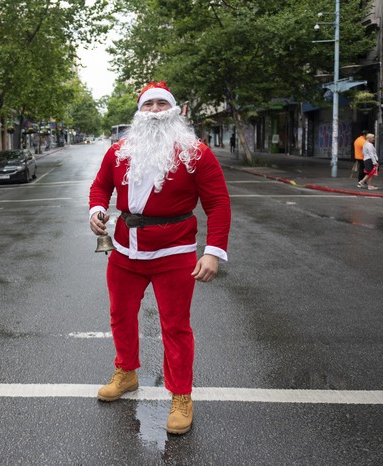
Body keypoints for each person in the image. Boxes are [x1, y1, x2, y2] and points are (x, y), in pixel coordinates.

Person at [88, 82, 231, 435]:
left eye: (160, 104)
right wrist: (96, 209)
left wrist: (212, 251)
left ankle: (181, 395)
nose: (154, 109)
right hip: (124, 249)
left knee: (175, 326)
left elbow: (218, 204)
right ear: (139, 112)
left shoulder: (196, 153)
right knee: (120, 315)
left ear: (175, 110)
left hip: (174, 252)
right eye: (148, 104)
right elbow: (100, 186)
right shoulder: (119, 151)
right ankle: (127, 372)